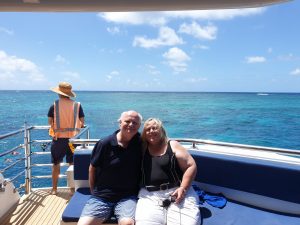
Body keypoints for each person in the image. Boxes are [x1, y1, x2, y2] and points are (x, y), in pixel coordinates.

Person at [78, 110, 143, 225]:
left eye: (135, 123)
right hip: (102, 196)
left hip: (127, 196)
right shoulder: (105, 143)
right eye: (127, 121)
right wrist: (94, 192)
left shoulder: (141, 143)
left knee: (128, 223)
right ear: (120, 123)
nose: (131, 125)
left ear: (139, 126)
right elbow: (92, 168)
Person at [135, 118, 200, 225]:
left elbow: (190, 165)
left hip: (176, 191)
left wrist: (183, 188)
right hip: (150, 196)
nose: (151, 131)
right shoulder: (141, 148)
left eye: (155, 128)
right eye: (148, 129)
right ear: (144, 134)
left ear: (161, 130)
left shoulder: (172, 145)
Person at [48, 82, 85, 195]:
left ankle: (54, 189)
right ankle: (72, 190)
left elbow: (50, 121)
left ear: (59, 93)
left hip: (59, 139)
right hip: (73, 139)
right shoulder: (77, 105)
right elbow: (82, 122)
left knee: (56, 164)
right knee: (72, 164)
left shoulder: (55, 105)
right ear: (69, 94)